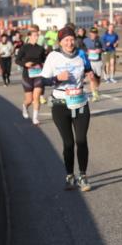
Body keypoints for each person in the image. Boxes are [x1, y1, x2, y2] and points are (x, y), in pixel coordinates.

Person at [41, 26, 95, 191]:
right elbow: (43, 81)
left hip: (79, 102)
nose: (70, 42)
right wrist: (57, 78)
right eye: (66, 40)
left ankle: (83, 176)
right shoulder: (53, 56)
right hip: (60, 104)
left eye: (72, 39)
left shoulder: (81, 54)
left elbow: (88, 70)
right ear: (60, 42)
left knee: (81, 140)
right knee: (69, 143)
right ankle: (69, 175)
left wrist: (91, 74)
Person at [16, 26, 47, 125]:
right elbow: (17, 60)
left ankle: (35, 118)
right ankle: (25, 107)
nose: (36, 37)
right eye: (34, 35)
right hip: (27, 75)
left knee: (36, 96)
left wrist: (44, 66)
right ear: (29, 36)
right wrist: (25, 64)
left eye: (37, 36)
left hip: (38, 74)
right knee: (29, 99)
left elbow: (44, 60)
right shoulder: (24, 47)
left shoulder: (41, 48)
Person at [82, 28, 104, 101]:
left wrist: (100, 50)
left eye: (95, 33)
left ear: (97, 34)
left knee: (97, 78)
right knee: (91, 78)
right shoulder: (86, 40)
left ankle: (96, 89)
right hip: (90, 62)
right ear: (89, 33)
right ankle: (94, 94)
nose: (93, 34)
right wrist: (86, 52)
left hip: (98, 61)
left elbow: (105, 48)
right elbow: (82, 48)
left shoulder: (101, 40)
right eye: (92, 33)